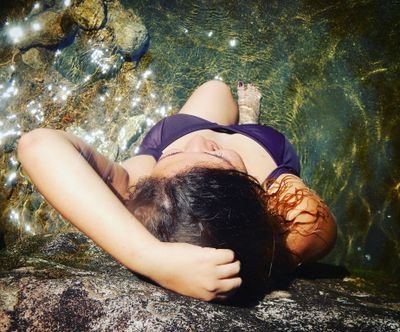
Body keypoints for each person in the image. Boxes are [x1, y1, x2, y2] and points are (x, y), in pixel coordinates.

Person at [17, 80, 336, 302]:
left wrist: (148, 256)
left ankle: (203, 139)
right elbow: (311, 234)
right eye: (215, 156)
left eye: (176, 158)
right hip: (261, 144)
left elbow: (37, 144)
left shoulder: (139, 190)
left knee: (216, 88)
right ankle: (249, 119)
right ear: (255, 199)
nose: (198, 143)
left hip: (173, 133)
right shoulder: (293, 213)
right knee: (219, 91)